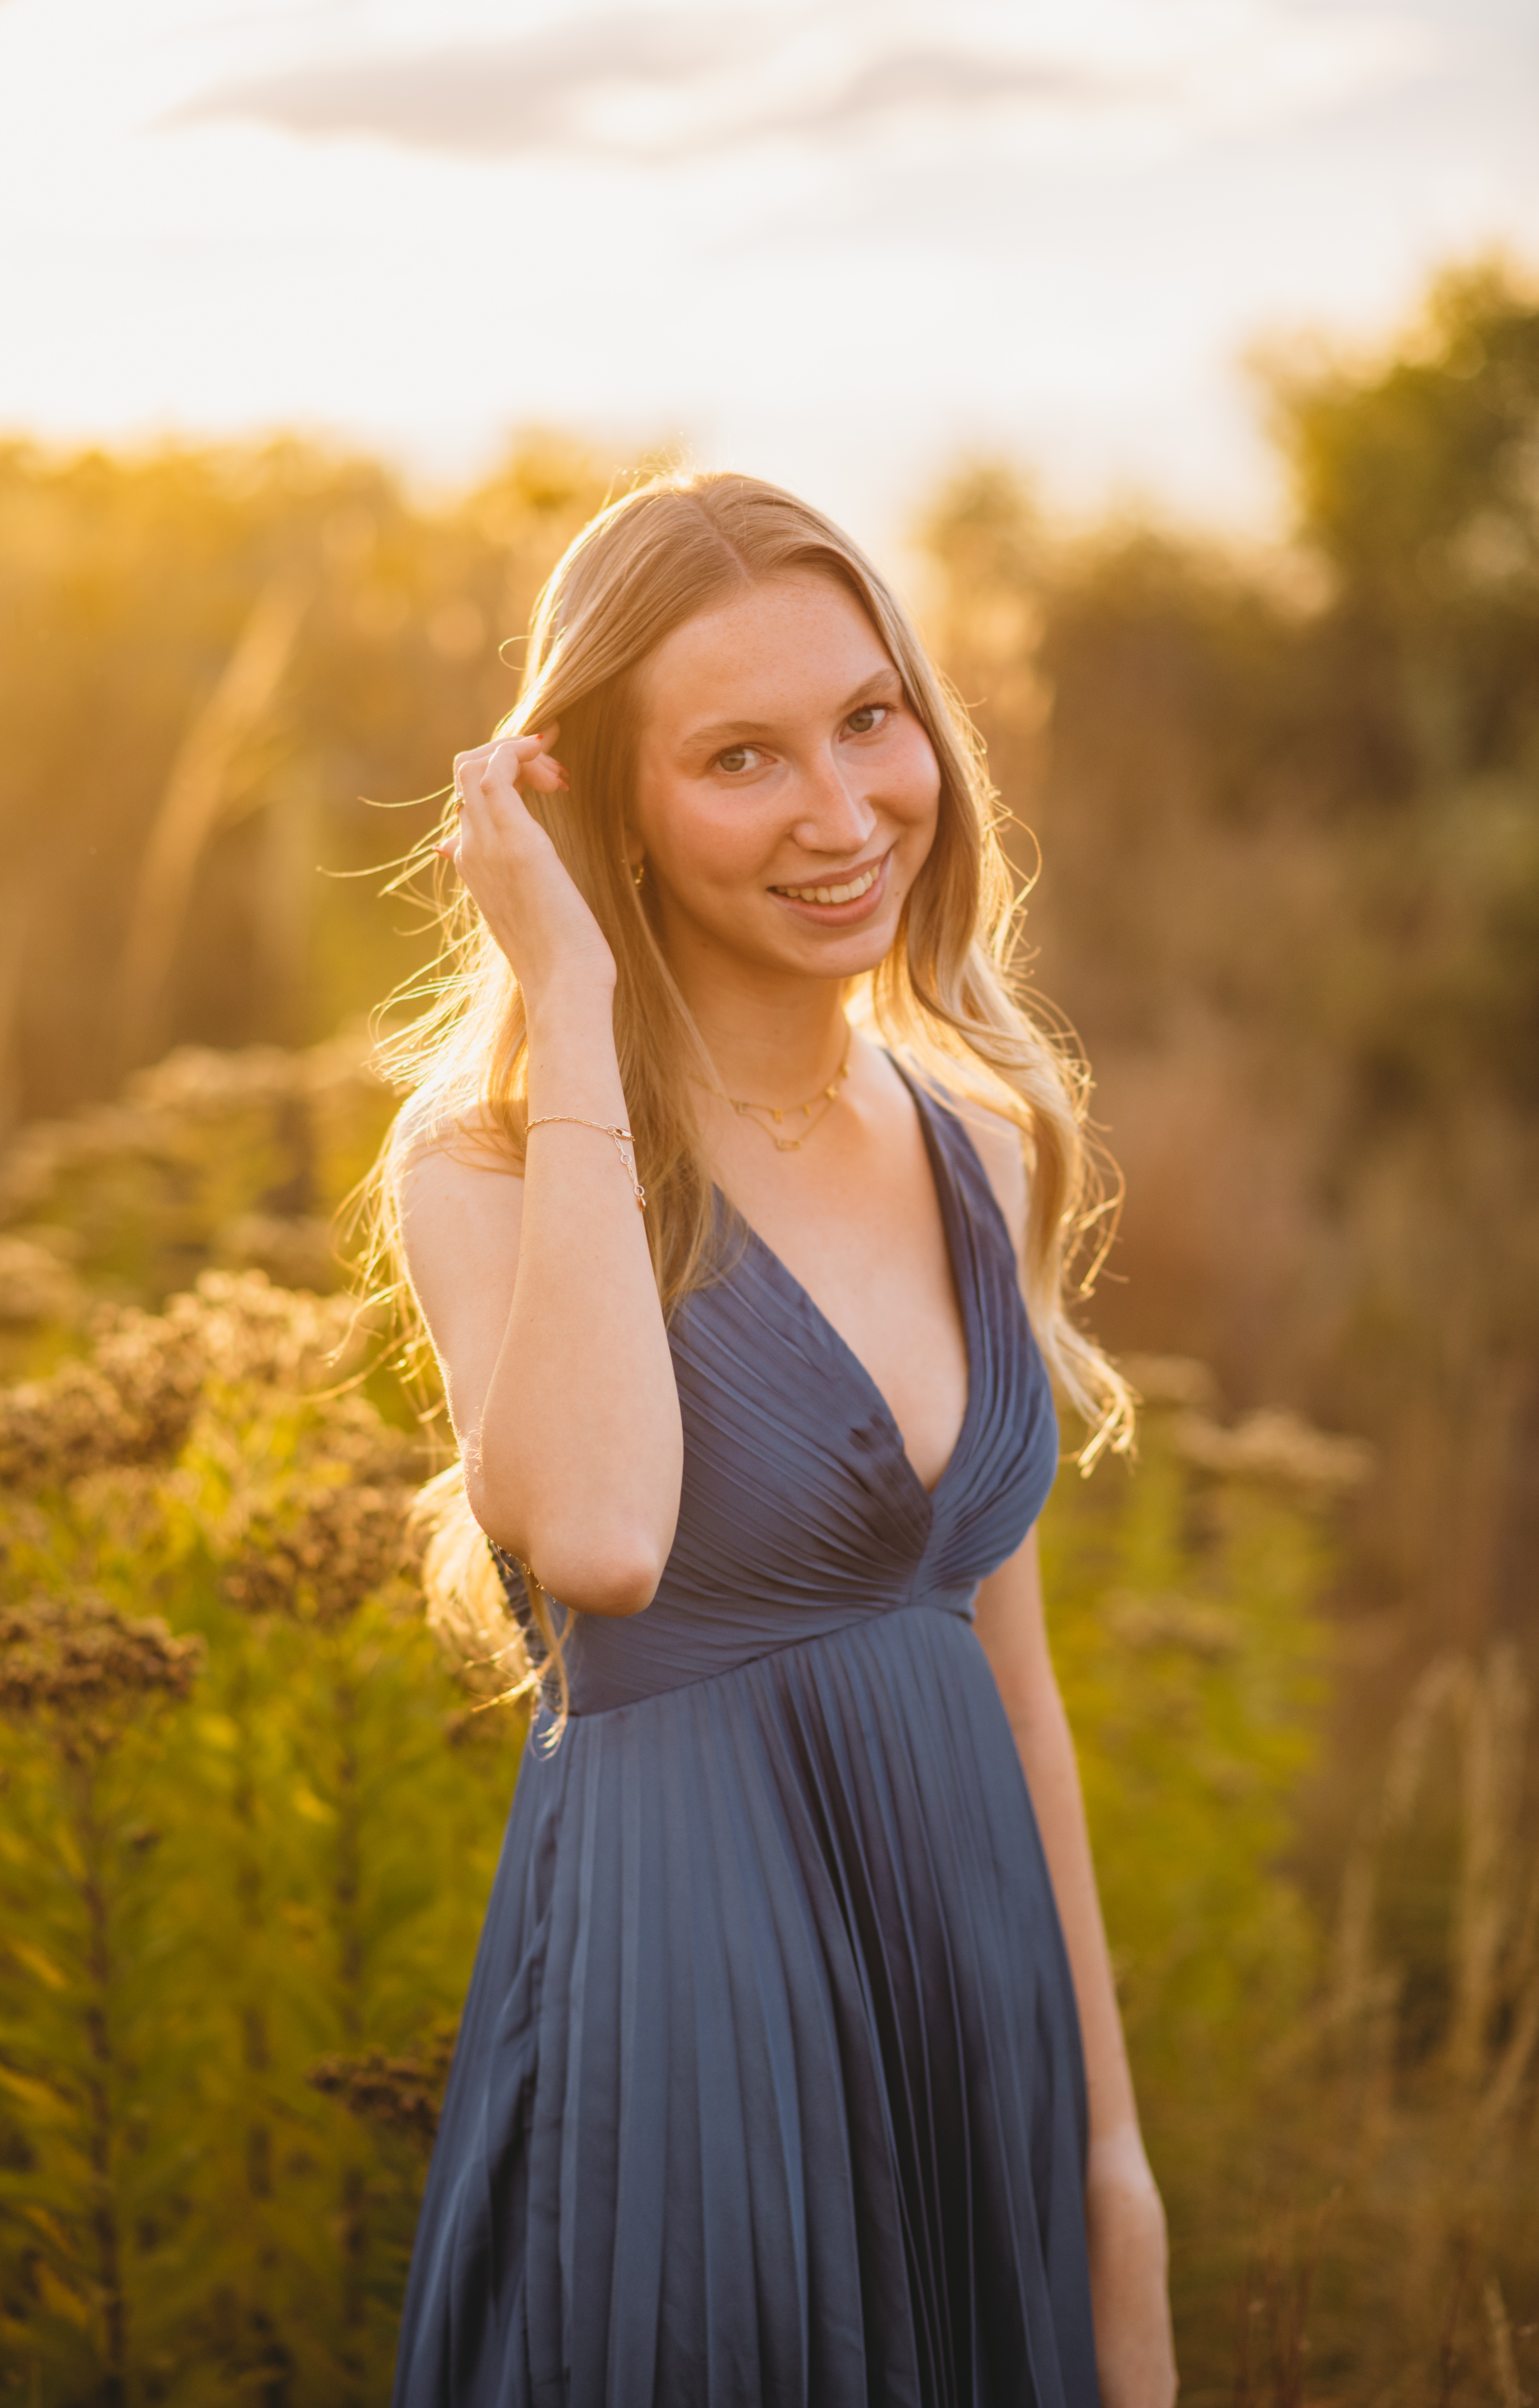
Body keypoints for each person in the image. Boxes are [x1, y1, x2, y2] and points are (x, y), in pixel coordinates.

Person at [377, 471, 1177, 2407]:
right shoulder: (487, 1162)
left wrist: (1108, 2157)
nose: (841, 814)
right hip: (685, 2031)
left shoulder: (980, 1136)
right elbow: (599, 1542)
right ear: (605, 809)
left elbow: (1016, 1681)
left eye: (867, 719)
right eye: (739, 757)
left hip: (971, 2016)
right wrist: (570, 1002)